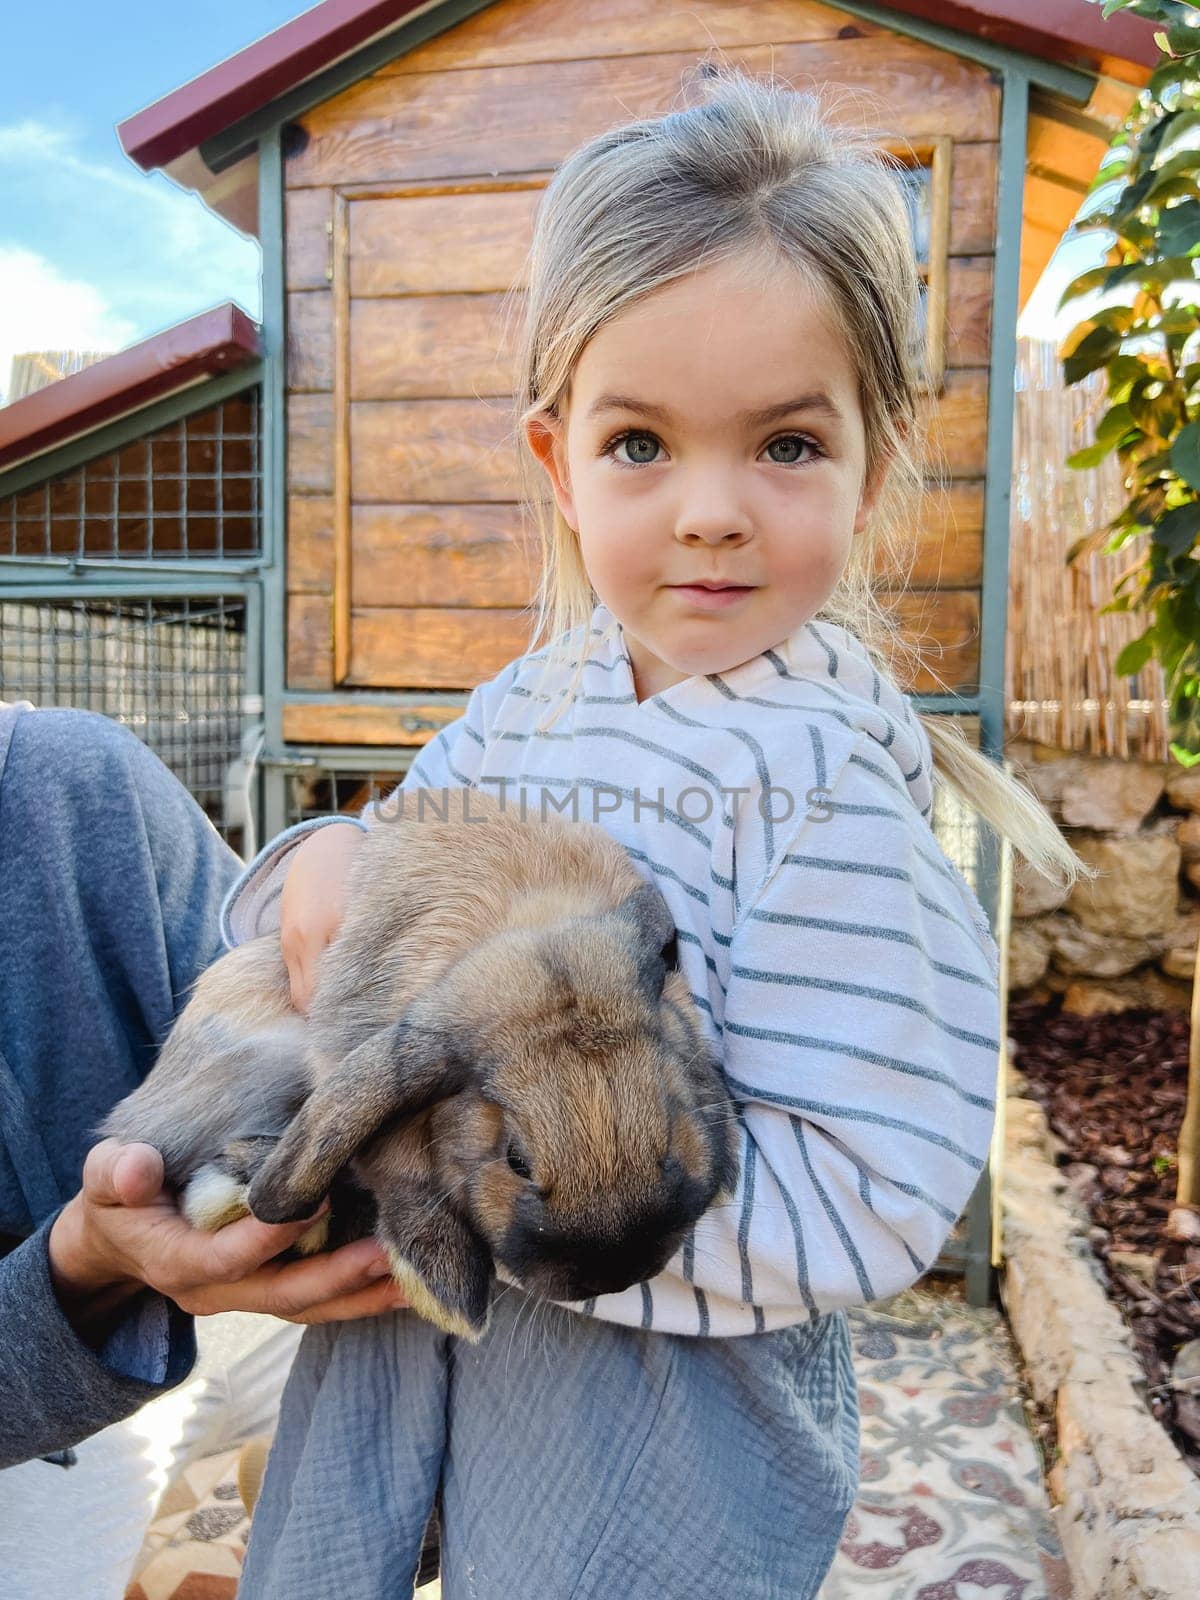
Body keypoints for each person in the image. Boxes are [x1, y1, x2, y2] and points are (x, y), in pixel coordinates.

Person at [156, 67, 1092, 1599]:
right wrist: (313, 869)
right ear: (557, 461)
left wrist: (520, 1206)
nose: (711, 510)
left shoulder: (824, 795)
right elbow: (375, 892)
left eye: (785, 445)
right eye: (641, 444)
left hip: (658, 1440)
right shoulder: (522, 710)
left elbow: (874, 1189)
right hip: (405, 1371)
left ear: (872, 458)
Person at [0, 699, 412, 1476]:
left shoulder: (71, 784)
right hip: (59, 1409)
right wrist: (83, 1267)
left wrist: (331, 854)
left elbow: (270, 969)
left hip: (207, 1360)